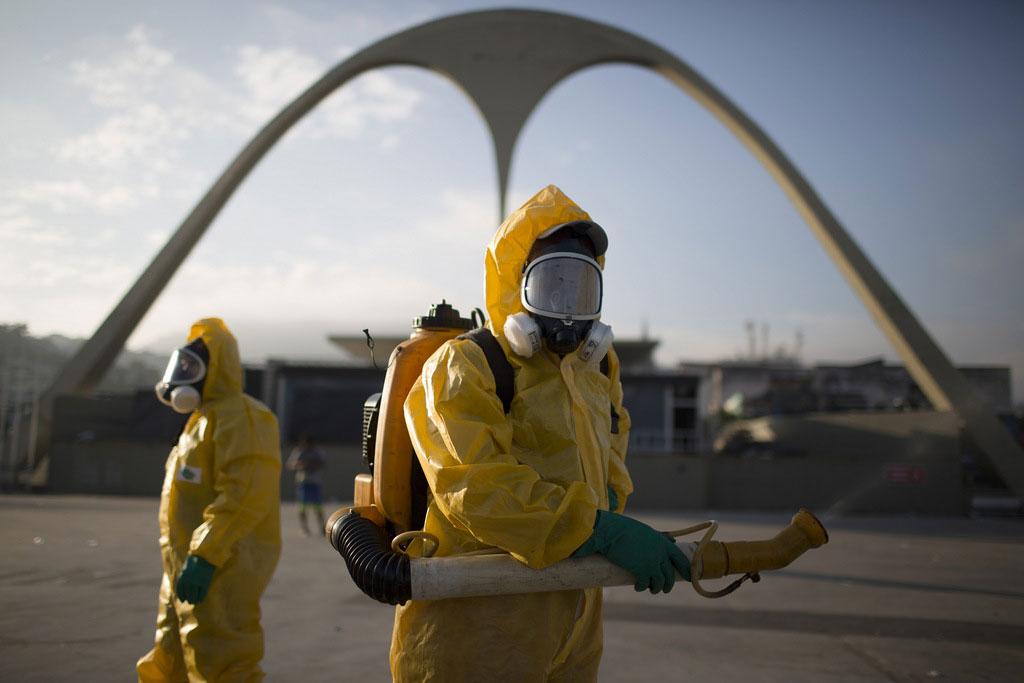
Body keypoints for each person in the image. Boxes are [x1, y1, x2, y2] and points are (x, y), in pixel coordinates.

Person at [390, 185, 689, 681]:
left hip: (575, 619)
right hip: (476, 630)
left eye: (581, 287)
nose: (567, 305)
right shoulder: (466, 365)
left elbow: (612, 471)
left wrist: (610, 520)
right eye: (552, 284)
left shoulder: (596, 375)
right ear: (515, 284)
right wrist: (598, 530)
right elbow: (475, 486)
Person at [137, 318, 282, 682]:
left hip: (221, 567)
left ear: (215, 368)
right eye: (179, 367)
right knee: (170, 658)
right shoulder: (200, 421)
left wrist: (206, 555)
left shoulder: (243, 417)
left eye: (191, 368)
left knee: (222, 661)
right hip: (183, 567)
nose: (181, 377)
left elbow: (245, 495)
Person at [286, 434, 327, 535]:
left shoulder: (317, 452)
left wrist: (312, 464)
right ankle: (305, 528)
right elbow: (290, 464)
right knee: (303, 507)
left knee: (318, 507)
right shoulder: (299, 451)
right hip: (303, 482)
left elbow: (323, 462)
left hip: (314, 482)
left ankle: (322, 527)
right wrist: (299, 464)